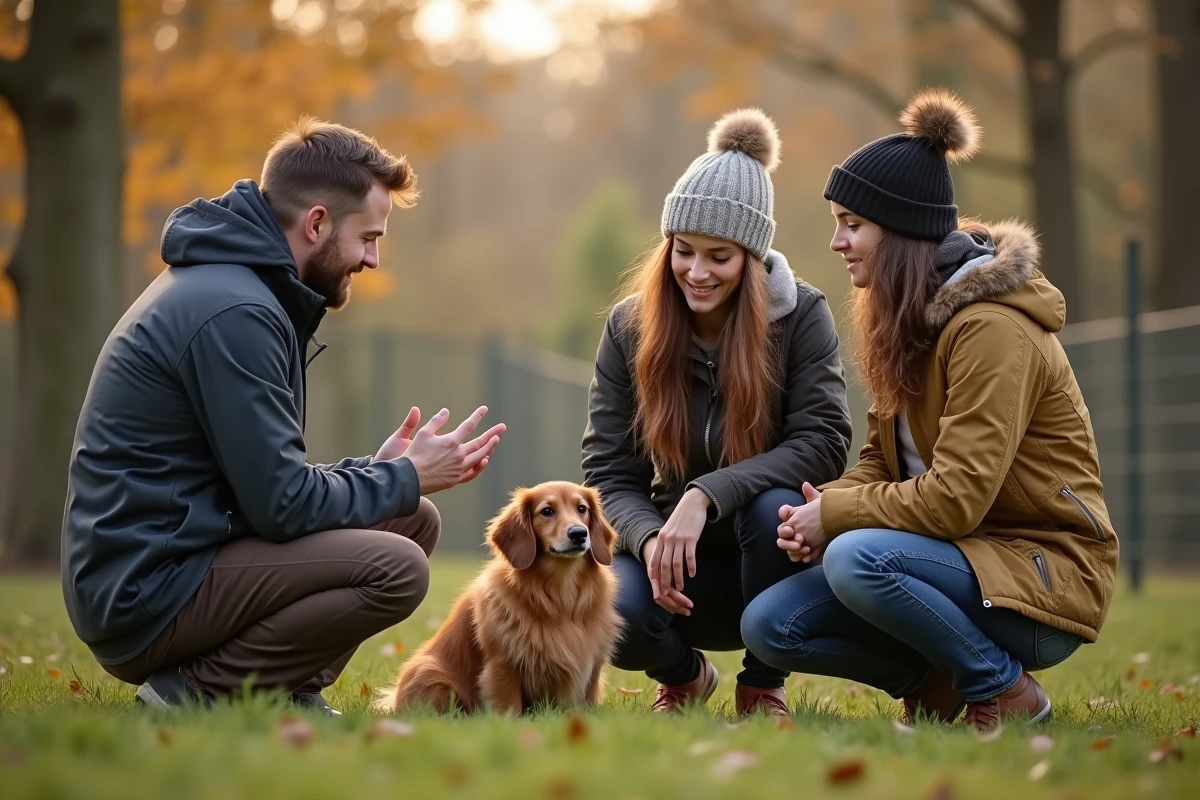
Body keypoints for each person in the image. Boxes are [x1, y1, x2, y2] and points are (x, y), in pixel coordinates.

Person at [61, 118, 505, 714]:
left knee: (410, 520)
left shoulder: (241, 289)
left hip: (183, 557)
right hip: (146, 589)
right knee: (396, 565)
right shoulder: (235, 310)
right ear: (317, 222)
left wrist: (382, 473)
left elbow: (264, 488)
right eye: (368, 237)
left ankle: (286, 691)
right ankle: (194, 692)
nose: (372, 259)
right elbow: (281, 506)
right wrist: (399, 477)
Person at [740, 88, 1119, 730]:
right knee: (769, 625)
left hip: (1041, 574)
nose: (837, 242)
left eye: (852, 224)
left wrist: (837, 515)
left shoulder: (991, 330)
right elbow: (877, 463)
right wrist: (818, 508)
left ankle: (1003, 689)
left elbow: (957, 498)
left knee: (857, 556)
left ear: (905, 234)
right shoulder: (909, 326)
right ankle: (940, 686)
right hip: (955, 564)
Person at [582, 108, 853, 716]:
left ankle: (763, 687)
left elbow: (824, 441)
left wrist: (705, 493)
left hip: (773, 558)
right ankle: (683, 678)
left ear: (752, 259)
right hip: (673, 567)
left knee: (769, 505)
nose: (696, 273)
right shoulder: (629, 327)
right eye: (683, 251)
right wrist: (649, 539)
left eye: (719, 257)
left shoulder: (802, 317)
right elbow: (607, 470)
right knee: (614, 613)